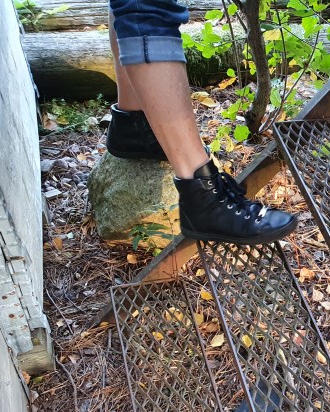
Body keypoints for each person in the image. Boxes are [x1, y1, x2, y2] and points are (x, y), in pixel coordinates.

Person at [103, 0, 296, 245]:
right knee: (148, 8)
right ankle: (204, 198)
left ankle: (135, 124)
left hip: (134, 122)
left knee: (136, 4)